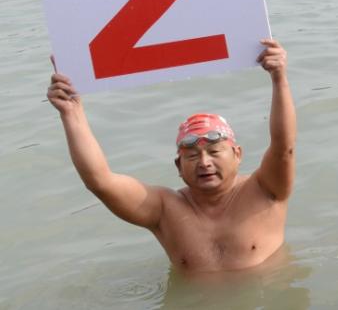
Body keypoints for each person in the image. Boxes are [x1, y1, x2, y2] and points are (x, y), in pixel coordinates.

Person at [45, 39, 297, 273]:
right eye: (192, 156)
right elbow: (99, 181)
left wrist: (279, 78)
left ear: (237, 154)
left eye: (214, 151)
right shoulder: (165, 210)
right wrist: (71, 112)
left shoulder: (266, 190)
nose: (204, 162)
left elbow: (283, 146)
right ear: (178, 165)